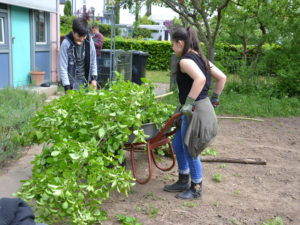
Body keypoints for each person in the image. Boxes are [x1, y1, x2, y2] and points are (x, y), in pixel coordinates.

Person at [164, 27, 226, 200]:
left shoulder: (185, 61)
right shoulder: (201, 57)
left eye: (173, 44)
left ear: (180, 43)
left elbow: (201, 79)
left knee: (190, 148)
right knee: (177, 144)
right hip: (197, 107)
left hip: (195, 109)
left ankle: (196, 188)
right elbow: (222, 77)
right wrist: (214, 99)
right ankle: (183, 180)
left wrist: (189, 104)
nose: (172, 48)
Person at [60, 17, 97, 92]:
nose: (82, 39)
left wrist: (94, 79)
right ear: (73, 31)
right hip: (72, 84)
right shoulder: (66, 43)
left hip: (86, 83)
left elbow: (93, 61)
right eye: (79, 36)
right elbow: (63, 67)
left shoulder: (89, 41)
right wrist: (67, 88)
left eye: (84, 36)